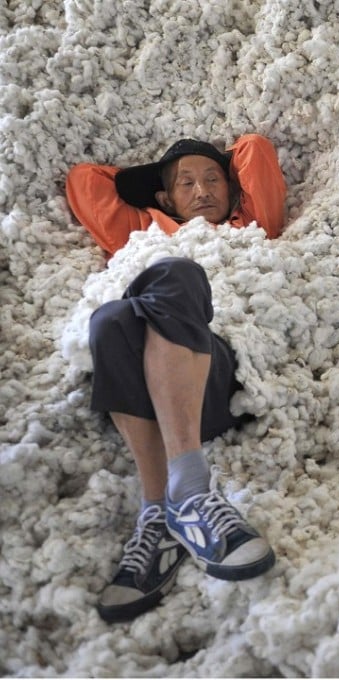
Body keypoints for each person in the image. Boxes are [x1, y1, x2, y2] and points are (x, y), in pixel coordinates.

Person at [65, 134, 287, 623]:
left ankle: (189, 486)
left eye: (213, 180)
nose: (203, 190)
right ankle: (162, 513)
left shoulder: (249, 227)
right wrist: (156, 190)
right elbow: (85, 181)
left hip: (219, 376)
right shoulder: (142, 228)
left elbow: (254, 148)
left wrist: (215, 167)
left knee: (177, 274)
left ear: (232, 189)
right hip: (141, 391)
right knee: (108, 319)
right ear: (165, 198)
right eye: (186, 184)